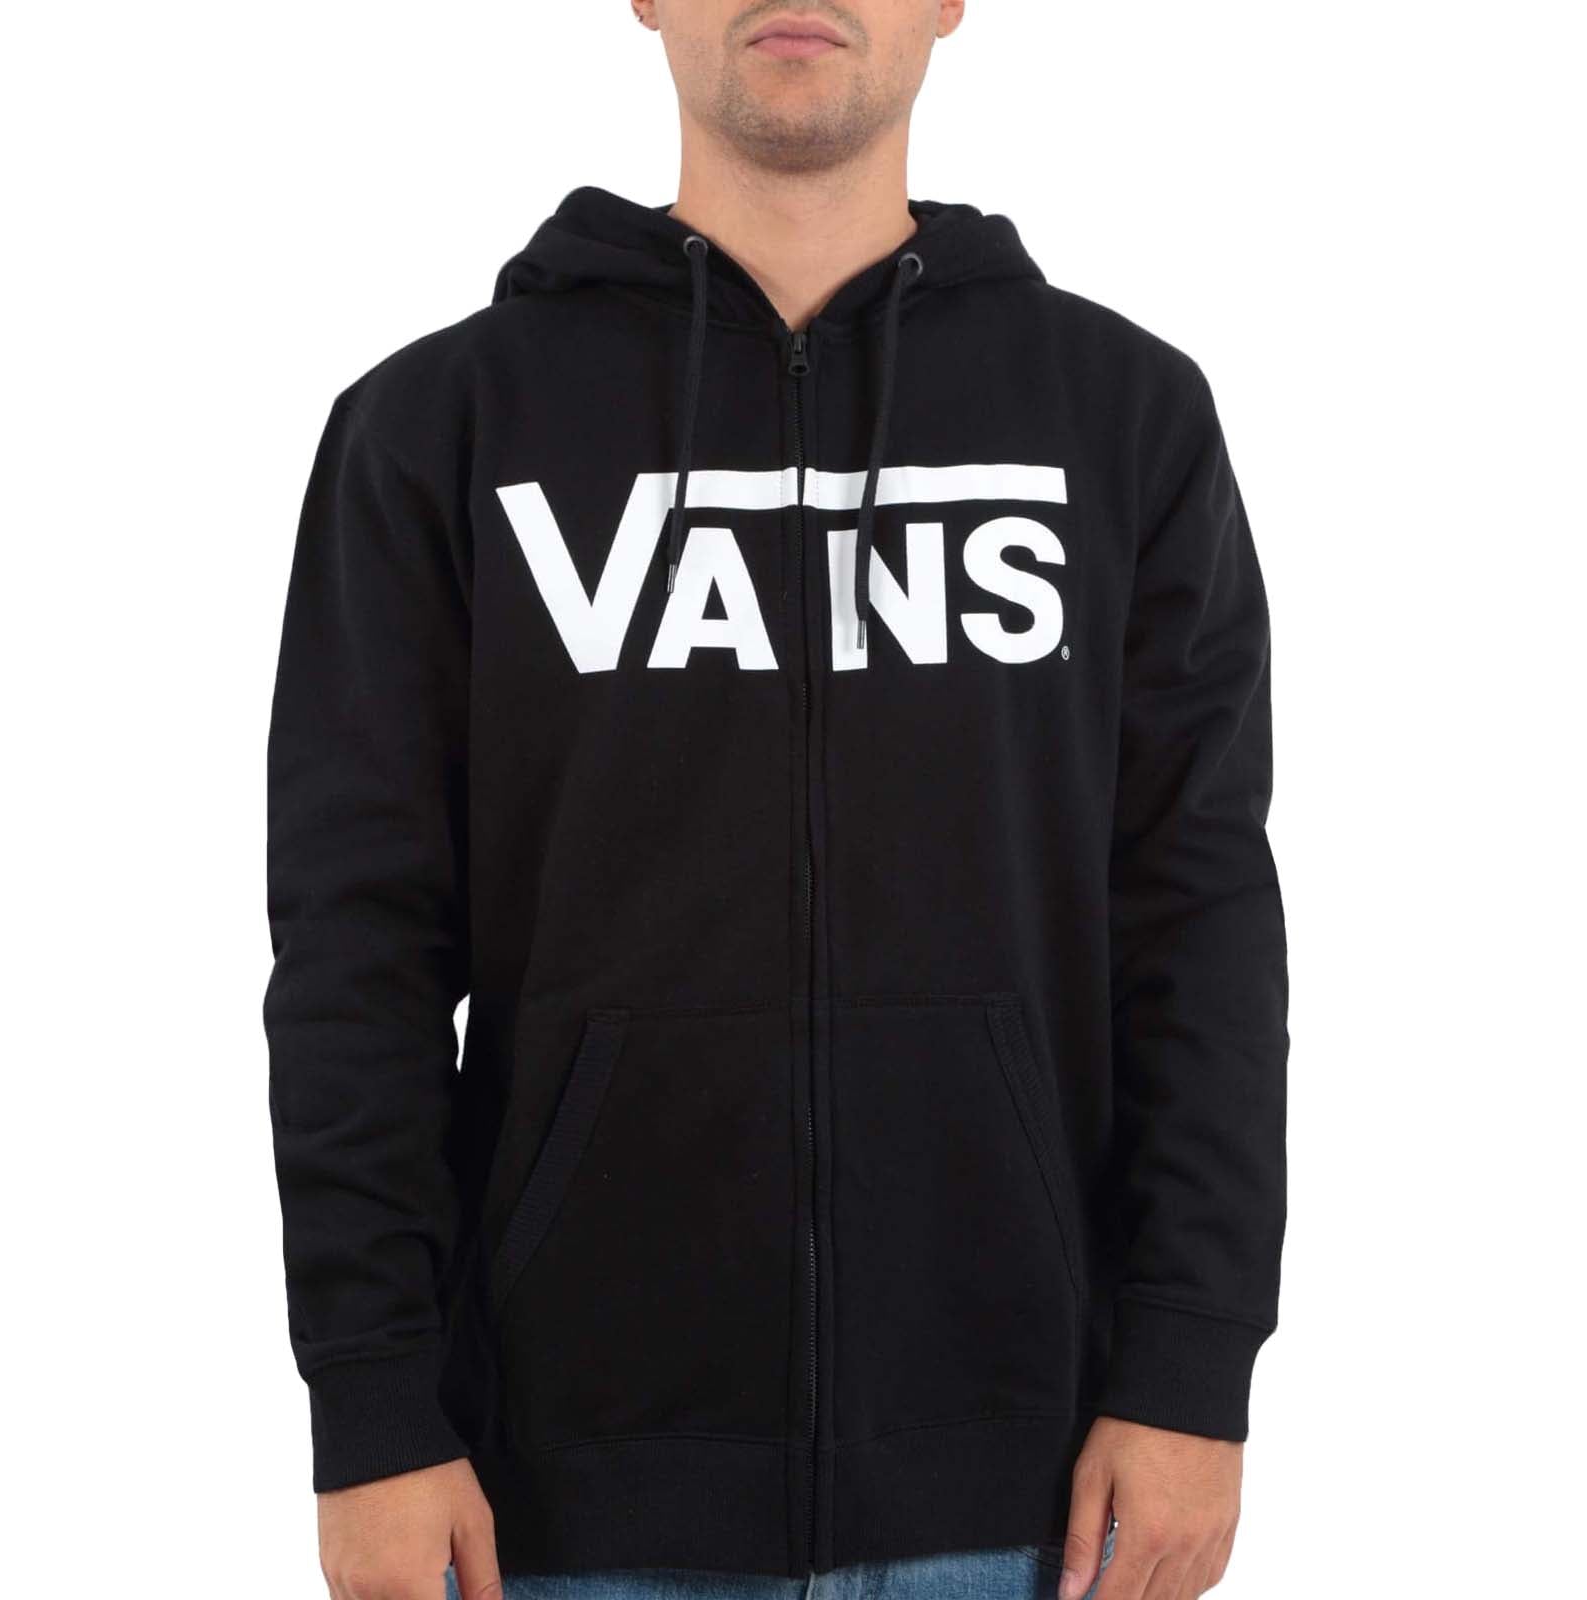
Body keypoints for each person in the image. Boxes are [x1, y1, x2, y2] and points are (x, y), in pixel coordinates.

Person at [262, 2, 1289, 1597]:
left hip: (1022, 1487)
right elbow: (357, 954)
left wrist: (1192, 1366)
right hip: (559, 1504)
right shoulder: (439, 429)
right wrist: (374, 1407)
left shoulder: (1122, 417)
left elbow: (1198, 921)